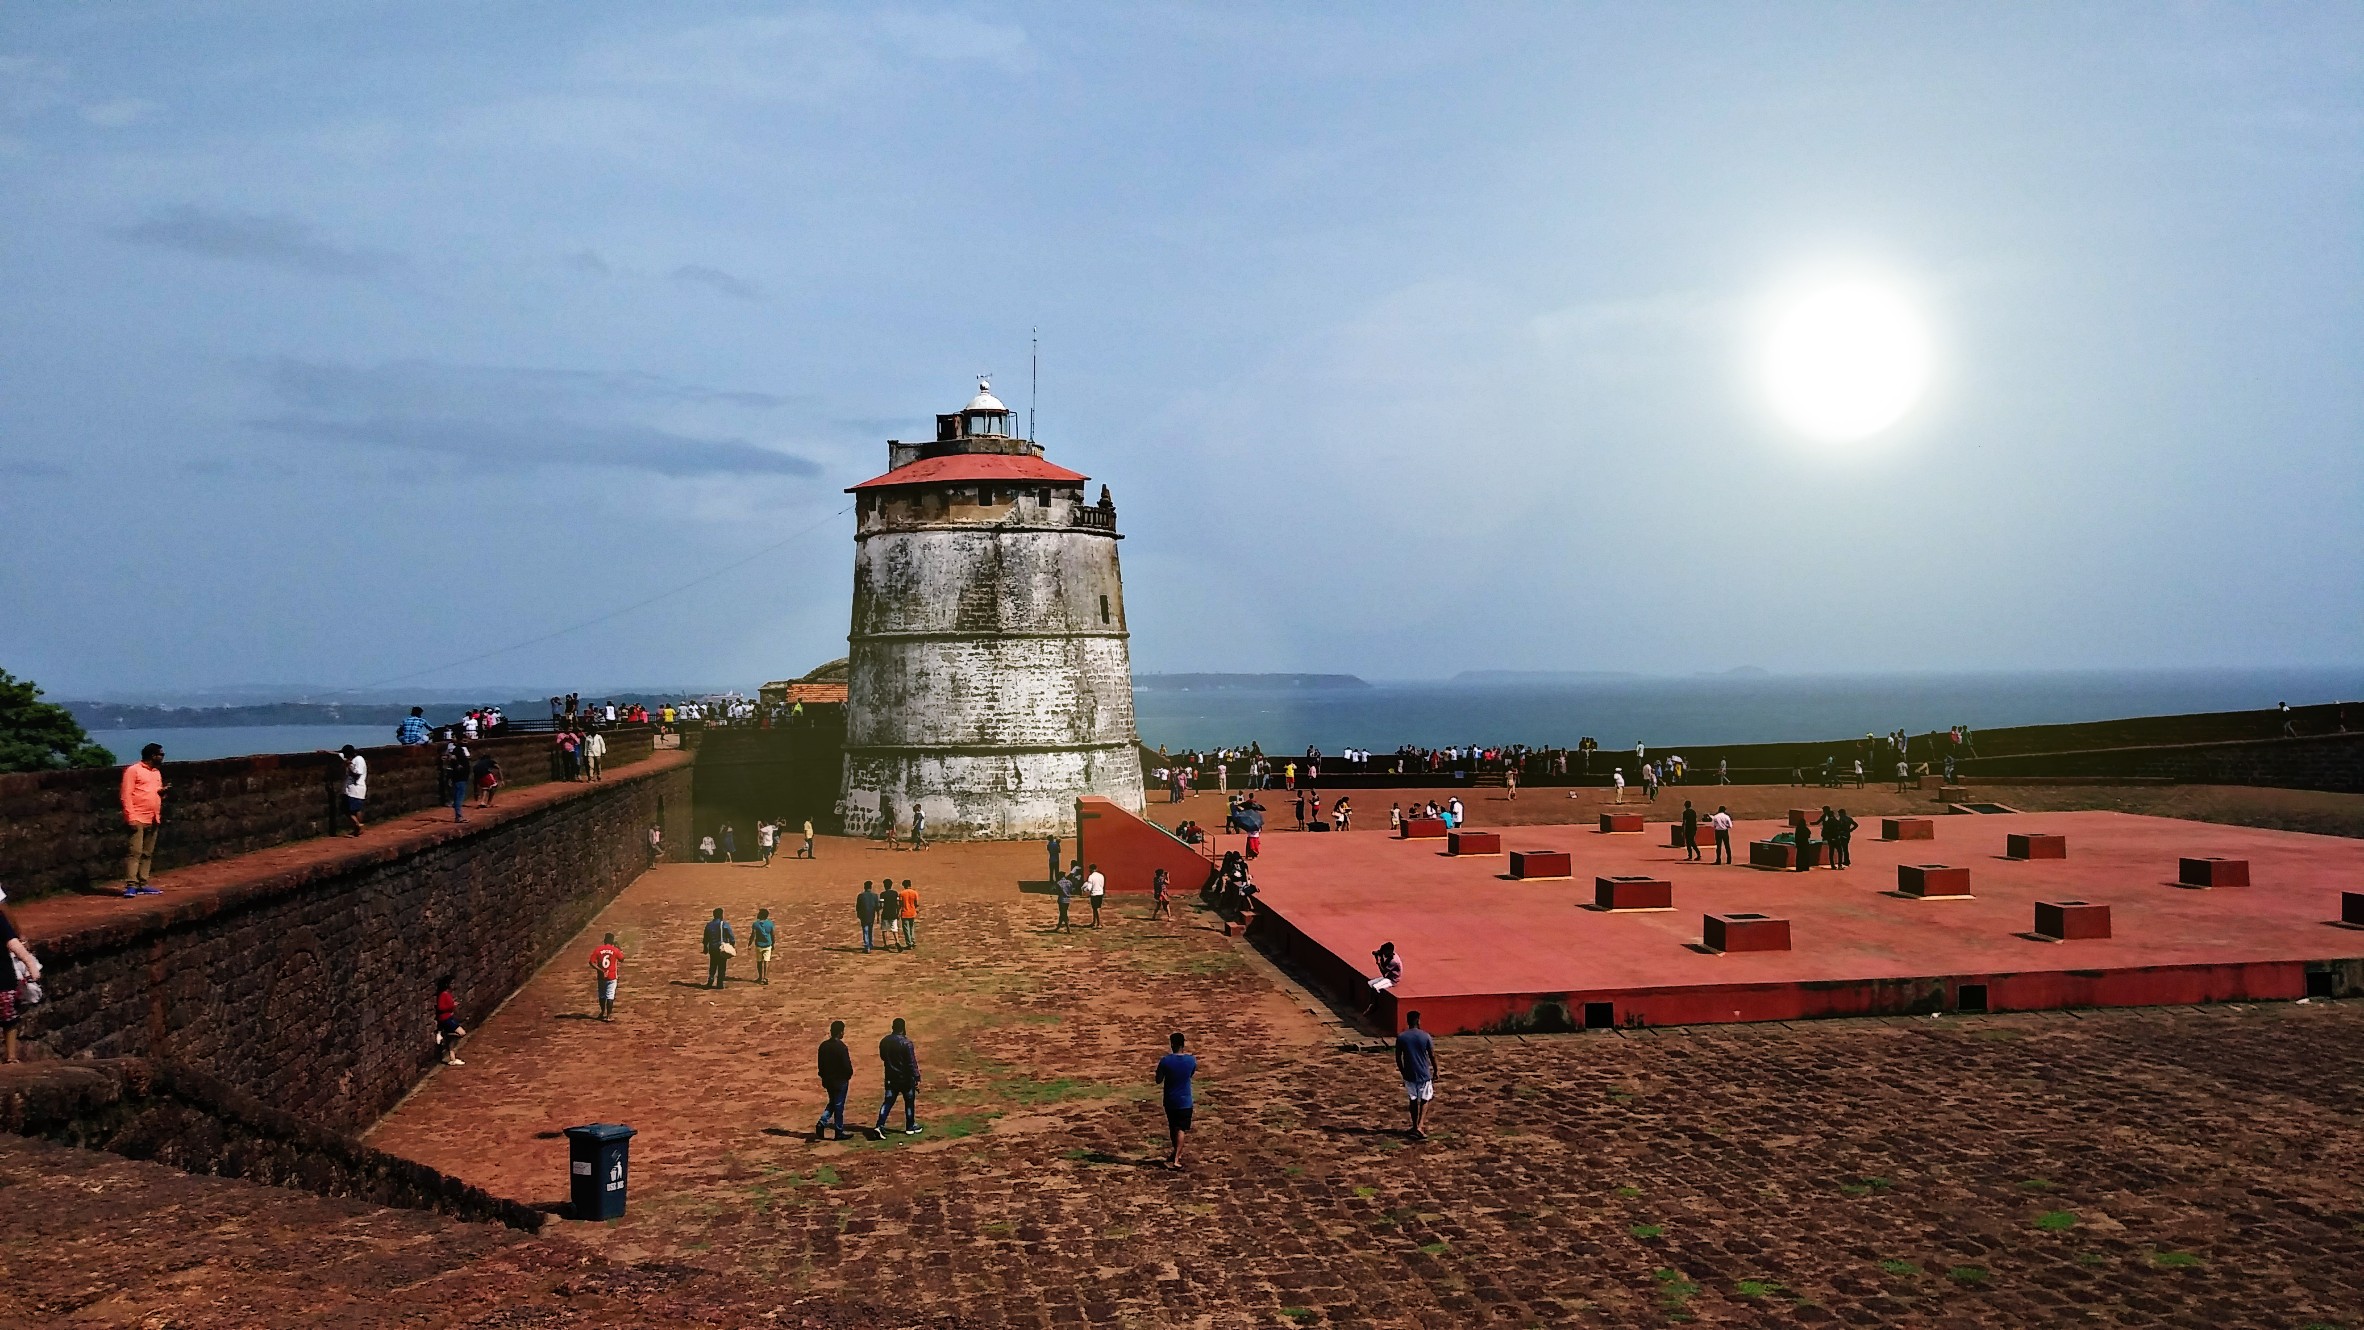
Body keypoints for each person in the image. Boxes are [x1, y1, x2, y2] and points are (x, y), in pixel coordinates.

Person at [120, 742, 168, 896]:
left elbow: (153, 792)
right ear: (153, 756)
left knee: (147, 853)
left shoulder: (156, 773)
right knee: (135, 852)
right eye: (161, 754)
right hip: (138, 816)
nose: (162, 757)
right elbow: (126, 795)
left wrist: (162, 793)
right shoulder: (133, 771)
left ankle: (143, 882)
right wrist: (130, 816)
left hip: (153, 817)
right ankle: (131, 884)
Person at [0, 893, 40, 1063]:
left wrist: (29, 963)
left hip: (2, 977)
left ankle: (11, 1056)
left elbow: (12, 943)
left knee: (8, 1016)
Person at [872, 1018, 922, 1137]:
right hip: (905, 1078)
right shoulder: (906, 1043)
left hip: (890, 1077)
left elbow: (883, 1057)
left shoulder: (884, 1041)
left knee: (888, 1102)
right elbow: (911, 1062)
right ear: (903, 1028)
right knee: (909, 1102)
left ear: (893, 1027)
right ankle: (910, 1126)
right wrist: (916, 1076)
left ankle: (879, 1125)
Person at [1155, 1031, 1196, 1171]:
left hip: (1171, 1100)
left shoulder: (1166, 1061)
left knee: (1175, 1128)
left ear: (1172, 1044)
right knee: (1180, 1128)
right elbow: (1191, 1074)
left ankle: (1176, 1158)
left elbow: (1158, 1080)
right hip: (1185, 1100)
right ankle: (1176, 1155)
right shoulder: (1191, 1060)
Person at [1395, 1010, 1437, 1140]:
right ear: (1418, 1021)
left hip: (1409, 1073)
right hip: (1423, 1073)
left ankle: (1414, 1125)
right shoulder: (1425, 1036)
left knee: (1413, 1099)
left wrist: (1403, 1071)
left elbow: (1398, 1057)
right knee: (1425, 1099)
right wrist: (1436, 1070)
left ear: (1407, 1022)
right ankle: (1420, 1125)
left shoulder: (1401, 1037)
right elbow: (1432, 1055)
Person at [815, 1020, 854, 1141]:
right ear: (841, 1032)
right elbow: (847, 1066)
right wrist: (848, 1076)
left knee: (833, 1102)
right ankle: (838, 1131)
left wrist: (823, 1077)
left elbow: (820, 1065)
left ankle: (822, 1122)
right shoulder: (841, 1047)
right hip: (840, 1081)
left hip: (828, 1080)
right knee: (838, 1106)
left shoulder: (823, 1046)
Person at [589, 932, 623, 1020]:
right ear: (612, 941)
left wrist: (601, 971)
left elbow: (591, 962)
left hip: (601, 976)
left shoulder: (598, 949)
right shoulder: (615, 950)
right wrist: (619, 948)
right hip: (612, 976)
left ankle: (602, 1011)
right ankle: (608, 1016)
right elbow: (622, 959)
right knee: (610, 995)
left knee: (602, 995)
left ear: (604, 940)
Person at [336, 744, 368, 837]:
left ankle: (358, 825)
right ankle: (357, 829)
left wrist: (348, 766)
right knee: (356, 809)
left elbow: (356, 774)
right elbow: (339, 755)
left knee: (346, 809)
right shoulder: (353, 760)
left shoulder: (358, 760)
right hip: (353, 789)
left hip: (355, 788)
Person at [435, 976, 466, 1066]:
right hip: (446, 1018)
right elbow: (440, 1007)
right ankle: (444, 1035)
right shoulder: (443, 994)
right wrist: (452, 1006)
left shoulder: (446, 994)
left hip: (449, 1017)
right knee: (462, 1033)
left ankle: (453, 1058)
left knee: (451, 1042)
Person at [702, 907, 734, 988]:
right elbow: (731, 937)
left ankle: (711, 979)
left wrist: (705, 947)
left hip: (712, 948)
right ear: (721, 915)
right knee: (722, 965)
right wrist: (732, 946)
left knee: (713, 964)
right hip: (721, 948)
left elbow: (705, 938)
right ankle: (720, 983)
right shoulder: (724, 924)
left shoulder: (709, 925)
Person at [751, 907, 776, 984]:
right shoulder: (770, 923)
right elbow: (772, 934)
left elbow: (753, 935)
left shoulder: (755, 924)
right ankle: (765, 977)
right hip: (768, 944)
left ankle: (760, 977)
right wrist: (773, 943)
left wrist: (749, 943)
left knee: (759, 962)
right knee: (766, 961)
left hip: (759, 945)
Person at [857, 881, 882, 953]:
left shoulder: (861, 896)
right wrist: (878, 916)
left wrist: (859, 915)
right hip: (871, 915)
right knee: (870, 930)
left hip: (863, 915)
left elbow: (858, 907)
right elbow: (877, 907)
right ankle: (870, 944)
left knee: (865, 930)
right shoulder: (875, 896)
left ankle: (867, 945)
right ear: (871, 887)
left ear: (864, 887)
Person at [897, 879, 919, 949]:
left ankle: (909, 943)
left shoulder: (902, 893)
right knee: (911, 927)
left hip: (905, 912)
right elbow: (917, 903)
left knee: (906, 929)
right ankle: (913, 941)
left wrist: (898, 912)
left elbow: (899, 904)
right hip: (912, 912)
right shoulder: (915, 892)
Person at [1085, 863, 1105, 927]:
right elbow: (1102, 885)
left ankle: (1099, 923)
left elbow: (1089, 888)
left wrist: (1085, 889)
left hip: (1094, 893)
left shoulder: (1091, 877)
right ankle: (1094, 922)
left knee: (1096, 908)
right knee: (1096, 908)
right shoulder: (1101, 875)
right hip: (1100, 893)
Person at [1054, 867, 1074, 932]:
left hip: (1061, 900)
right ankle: (1058, 927)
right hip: (1067, 900)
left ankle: (1068, 928)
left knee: (1063, 914)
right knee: (1063, 913)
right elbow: (1071, 890)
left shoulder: (1059, 883)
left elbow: (1057, 892)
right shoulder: (1069, 882)